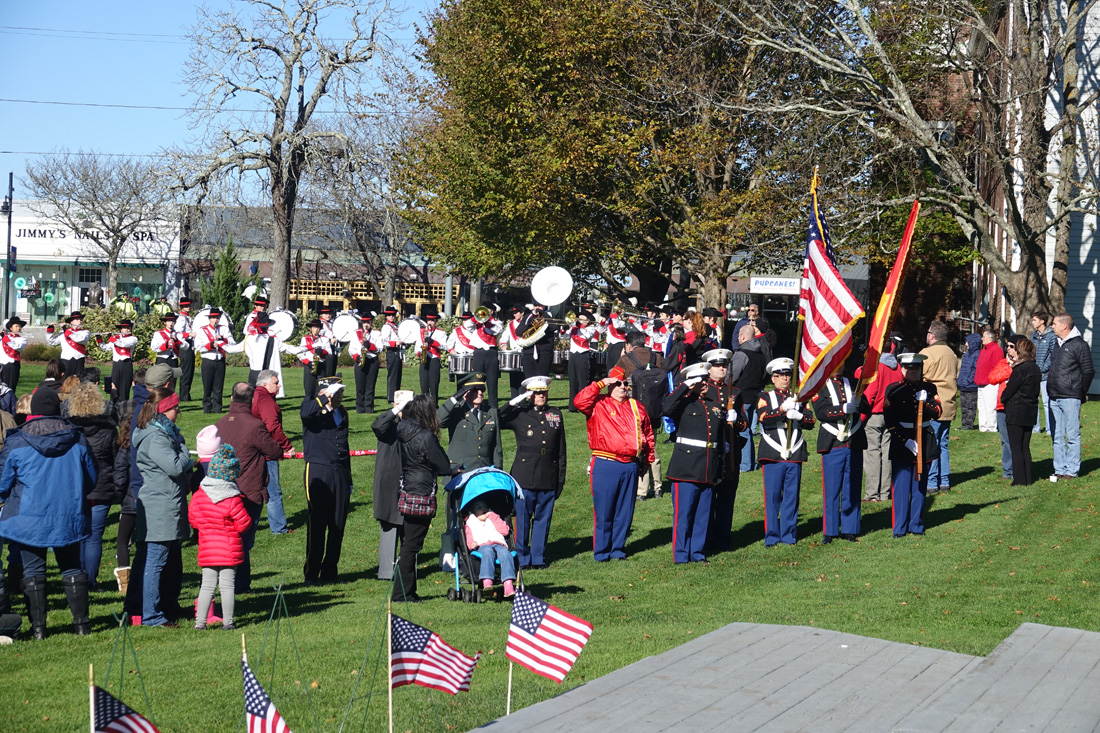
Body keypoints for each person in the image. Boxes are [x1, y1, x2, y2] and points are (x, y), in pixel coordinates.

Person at [0, 389, 98, 639]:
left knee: (34, 570)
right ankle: (81, 626)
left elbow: (3, 482)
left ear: (33, 411)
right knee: (71, 566)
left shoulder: (18, 440)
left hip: (30, 515)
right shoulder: (76, 438)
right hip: (67, 513)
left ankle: (39, 629)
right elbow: (92, 477)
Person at [663, 350, 742, 563]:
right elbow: (666, 407)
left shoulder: (715, 407)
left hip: (708, 465)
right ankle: (681, 554)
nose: (705, 384)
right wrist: (686, 386)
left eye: (706, 381)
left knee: (702, 514)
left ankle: (697, 552)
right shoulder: (683, 404)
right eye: (701, 382)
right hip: (686, 465)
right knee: (684, 515)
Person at [574, 366, 657, 561]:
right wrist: (601, 383)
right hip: (606, 463)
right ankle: (602, 552)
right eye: (617, 383)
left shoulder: (637, 406)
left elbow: (648, 434)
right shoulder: (598, 403)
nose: (622, 386)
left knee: (625, 510)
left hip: (630, 464)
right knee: (604, 510)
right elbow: (579, 401)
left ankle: (618, 549)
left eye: (625, 383)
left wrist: (648, 459)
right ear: (610, 385)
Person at [131, 388, 191, 627]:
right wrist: (185, 450)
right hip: (159, 504)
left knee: (160, 559)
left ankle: (162, 606)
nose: (179, 411)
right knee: (155, 561)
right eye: (176, 407)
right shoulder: (156, 437)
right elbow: (175, 466)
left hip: (163, 501)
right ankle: (152, 615)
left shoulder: (161, 432)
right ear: (164, 409)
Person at [216, 383, 284, 592]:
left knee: (227, 538)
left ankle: (228, 582)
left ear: (231, 398)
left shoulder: (220, 423)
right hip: (248, 490)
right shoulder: (254, 426)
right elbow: (274, 450)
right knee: (243, 540)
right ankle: (240, 584)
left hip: (222, 490)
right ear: (251, 400)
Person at [499, 376, 566, 569]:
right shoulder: (520, 414)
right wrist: (514, 402)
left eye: (543, 392)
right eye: (537, 393)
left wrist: (560, 478)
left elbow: (561, 449)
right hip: (525, 475)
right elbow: (498, 417)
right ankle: (522, 557)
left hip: (548, 473)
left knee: (543, 519)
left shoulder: (555, 413)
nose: (541, 396)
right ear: (529, 395)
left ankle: (538, 557)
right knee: (522, 519)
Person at [393, 394, 452, 603]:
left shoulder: (402, 430)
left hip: (407, 489)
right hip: (422, 491)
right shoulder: (426, 437)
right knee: (411, 547)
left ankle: (407, 591)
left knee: (408, 544)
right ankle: (402, 593)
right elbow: (443, 465)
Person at [188, 444, 252, 631]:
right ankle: (228, 622)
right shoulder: (232, 498)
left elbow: (194, 519)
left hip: (207, 547)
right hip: (229, 549)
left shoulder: (199, 495)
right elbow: (244, 523)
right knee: (227, 586)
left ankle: (200, 622)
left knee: (206, 586)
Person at [756, 358, 815, 546]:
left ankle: (789, 534)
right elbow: (764, 418)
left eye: (788, 375)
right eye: (780, 375)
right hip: (773, 452)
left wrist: (798, 414)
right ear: (773, 378)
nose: (784, 378)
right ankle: (772, 536)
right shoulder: (765, 397)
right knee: (772, 497)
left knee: (792, 496)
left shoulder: (800, 397)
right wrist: (782, 409)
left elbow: (810, 422)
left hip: (795, 451)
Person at [300, 376, 353, 585]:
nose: (340, 396)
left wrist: (348, 477)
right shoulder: (313, 409)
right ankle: (311, 573)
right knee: (318, 523)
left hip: (339, 471)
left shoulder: (342, 412)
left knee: (338, 523)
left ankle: (330, 571)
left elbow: (345, 446)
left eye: (341, 392)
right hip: (318, 470)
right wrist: (323, 398)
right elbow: (306, 412)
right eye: (336, 392)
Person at [68, 382, 120, 593]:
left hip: (77, 485)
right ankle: (90, 580)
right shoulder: (108, 429)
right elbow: (116, 458)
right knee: (94, 535)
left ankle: (80, 579)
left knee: (81, 534)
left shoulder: (69, 428)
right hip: (100, 483)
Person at [883, 354, 942, 537]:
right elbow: (890, 420)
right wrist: (905, 441)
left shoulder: (930, 388)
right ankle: (899, 527)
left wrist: (925, 403)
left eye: (916, 368)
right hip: (903, 441)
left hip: (924, 440)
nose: (913, 371)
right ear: (902, 369)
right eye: (909, 368)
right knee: (900, 488)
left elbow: (938, 412)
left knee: (919, 486)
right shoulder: (893, 390)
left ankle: (916, 524)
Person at [811, 372, 866, 543]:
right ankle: (830, 530)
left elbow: (867, 406)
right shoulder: (819, 385)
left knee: (853, 487)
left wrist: (859, 405)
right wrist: (842, 410)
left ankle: (850, 528)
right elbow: (820, 412)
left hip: (854, 440)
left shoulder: (854, 382)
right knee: (832, 489)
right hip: (832, 442)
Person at [617, 330, 666, 500]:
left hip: (634, 410)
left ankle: (641, 490)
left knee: (639, 448)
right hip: (655, 411)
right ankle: (658, 487)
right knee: (652, 446)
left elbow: (614, 383)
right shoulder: (657, 358)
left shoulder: (625, 359)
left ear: (628, 345)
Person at [1048, 313, 1095, 481]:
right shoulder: (1056, 343)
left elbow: (1088, 371)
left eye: (1054, 324)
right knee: (1057, 435)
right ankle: (1059, 469)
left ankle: (1072, 471)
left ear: (1064, 326)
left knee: (1072, 435)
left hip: (1070, 396)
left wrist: (1079, 392)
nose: (1052, 326)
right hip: (1054, 395)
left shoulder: (1079, 345)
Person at [372, 390, 413, 581]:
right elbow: (378, 425)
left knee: (411, 526)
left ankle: (407, 569)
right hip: (389, 482)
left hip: (412, 479)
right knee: (389, 524)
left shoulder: (416, 424)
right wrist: (397, 410)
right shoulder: (389, 424)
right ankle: (386, 572)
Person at [862, 333, 905, 502]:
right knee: (887, 454)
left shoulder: (876, 367)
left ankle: (872, 494)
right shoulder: (897, 368)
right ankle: (885, 493)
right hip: (891, 414)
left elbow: (870, 394)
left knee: (873, 454)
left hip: (875, 414)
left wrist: (862, 416)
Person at [920, 320, 959, 495]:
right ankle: (944, 480)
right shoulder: (951, 353)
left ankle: (932, 481)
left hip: (933, 405)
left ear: (932, 335)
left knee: (932, 445)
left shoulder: (927, 353)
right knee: (942, 444)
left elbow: (919, 375)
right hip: (949, 402)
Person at [252, 370, 294, 535]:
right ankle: (279, 528)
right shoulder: (266, 401)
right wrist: (287, 445)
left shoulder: (254, 396)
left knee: (251, 489)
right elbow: (273, 427)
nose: (279, 385)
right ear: (264, 384)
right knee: (272, 492)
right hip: (266, 453)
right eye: (276, 383)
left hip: (251, 451)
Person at [438, 372, 503, 473]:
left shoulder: (490, 412)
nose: (480, 393)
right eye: (475, 390)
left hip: (484, 472)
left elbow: (497, 445)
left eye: (482, 389)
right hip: (460, 472)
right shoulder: (456, 410)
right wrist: (454, 398)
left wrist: (498, 471)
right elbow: (437, 420)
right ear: (465, 393)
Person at [1001, 336, 1041, 486]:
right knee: (1024, 446)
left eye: (1012, 347)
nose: (1009, 350)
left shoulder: (1021, 369)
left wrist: (1004, 399)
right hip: (1030, 410)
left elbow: (1009, 391)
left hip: (1017, 410)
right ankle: (1027, 478)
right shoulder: (1035, 368)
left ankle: (1019, 479)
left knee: (1016, 446)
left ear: (1020, 349)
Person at [728, 324, 768, 473]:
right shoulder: (760, 353)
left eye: (739, 335)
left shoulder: (741, 354)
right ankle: (750, 463)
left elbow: (731, 376)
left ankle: (745, 465)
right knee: (749, 430)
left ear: (743, 337)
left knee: (743, 430)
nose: (738, 338)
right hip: (755, 395)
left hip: (742, 397)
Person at [464, 499, 517, 598]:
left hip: (499, 544)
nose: (483, 509)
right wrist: (472, 543)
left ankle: (508, 584)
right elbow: (469, 536)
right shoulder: (471, 523)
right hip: (482, 545)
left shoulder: (493, 519)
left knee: (507, 554)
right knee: (487, 552)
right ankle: (487, 582)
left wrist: (492, 516)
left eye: (485, 507)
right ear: (473, 512)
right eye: (479, 508)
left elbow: (505, 531)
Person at [195, 308, 238, 414]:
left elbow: (232, 342)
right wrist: (210, 345)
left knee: (218, 386)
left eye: (217, 318)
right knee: (207, 385)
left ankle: (217, 407)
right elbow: (198, 346)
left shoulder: (223, 329)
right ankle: (207, 407)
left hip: (219, 359)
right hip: (208, 359)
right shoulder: (202, 330)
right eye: (213, 318)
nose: (215, 320)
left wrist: (223, 339)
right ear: (209, 319)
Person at [242, 313, 298, 391]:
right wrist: (308, 347)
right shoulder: (272, 340)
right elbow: (290, 349)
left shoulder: (249, 338)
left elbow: (231, 349)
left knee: (251, 397)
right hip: (265, 373)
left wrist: (221, 343)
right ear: (267, 326)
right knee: (266, 396)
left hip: (253, 372)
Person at [990, 343, 1015, 480]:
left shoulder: (1024, 363)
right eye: (1007, 346)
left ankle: (1018, 468)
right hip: (1002, 406)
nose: (1008, 348)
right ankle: (1008, 470)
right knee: (1005, 440)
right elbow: (992, 378)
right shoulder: (1002, 363)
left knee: (1016, 440)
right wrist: (1009, 369)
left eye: (1012, 346)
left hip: (1017, 406)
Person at [1030, 311, 1057, 433]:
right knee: (1033, 401)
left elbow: (1052, 355)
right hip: (1034, 373)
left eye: (1035, 320)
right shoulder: (1033, 336)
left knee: (1047, 402)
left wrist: (1043, 368)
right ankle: (1035, 427)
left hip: (1046, 375)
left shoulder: (1051, 336)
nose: (1032, 322)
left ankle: (1049, 428)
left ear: (1042, 321)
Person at [566, 311, 599, 412]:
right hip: (573, 355)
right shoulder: (574, 328)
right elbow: (566, 337)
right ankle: (572, 406)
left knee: (582, 381)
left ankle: (583, 404)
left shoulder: (591, 328)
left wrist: (579, 326)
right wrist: (566, 330)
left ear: (588, 320)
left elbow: (587, 336)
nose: (579, 320)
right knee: (572, 380)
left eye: (582, 318)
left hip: (583, 355)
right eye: (578, 318)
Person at [469, 310, 503, 407]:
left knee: (492, 380)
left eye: (487, 309)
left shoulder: (496, 322)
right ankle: (476, 403)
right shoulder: (476, 322)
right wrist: (475, 318)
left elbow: (497, 330)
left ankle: (493, 405)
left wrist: (487, 322)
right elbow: (467, 326)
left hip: (491, 353)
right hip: (478, 352)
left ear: (491, 311)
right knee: (477, 379)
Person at [100, 319, 138, 403]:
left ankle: (123, 408)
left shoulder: (133, 339)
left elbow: (123, 344)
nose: (127, 330)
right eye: (124, 328)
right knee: (114, 387)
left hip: (126, 364)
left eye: (128, 328)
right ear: (121, 329)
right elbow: (105, 347)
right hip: (116, 365)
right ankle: (113, 407)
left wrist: (111, 338)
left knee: (124, 389)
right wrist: (100, 339)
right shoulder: (116, 338)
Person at [348, 318, 381, 413]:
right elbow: (351, 349)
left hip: (372, 361)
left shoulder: (376, 333)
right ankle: (360, 408)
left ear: (371, 323)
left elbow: (380, 348)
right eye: (364, 322)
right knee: (360, 386)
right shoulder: (356, 333)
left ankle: (369, 408)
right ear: (362, 323)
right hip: (360, 360)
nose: (366, 324)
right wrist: (357, 357)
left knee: (370, 386)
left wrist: (370, 346)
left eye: (368, 322)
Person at [974, 328, 1003, 432]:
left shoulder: (996, 350)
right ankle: (983, 427)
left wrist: (991, 379)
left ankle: (991, 427)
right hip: (980, 383)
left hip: (990, 383)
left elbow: (997, 367)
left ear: (990, 338)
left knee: (990, 407)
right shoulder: (984, 350)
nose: (982, 338)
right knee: (981, 407)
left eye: (984, 336)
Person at [47, 312, 90, 379]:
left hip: (79, 359)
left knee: (78, 380)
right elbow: (52, 341)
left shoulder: (85, 332)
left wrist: (65, 330)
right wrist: (50, 329)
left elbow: (79, 339)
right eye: (77, 319)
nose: (80, 321)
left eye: (81, 319)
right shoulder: (63, 332)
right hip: (66, 359)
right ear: (71, 322)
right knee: (65, 379)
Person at [298, 318, 332, 401]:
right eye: (314, 327)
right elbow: (300, 353)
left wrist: (322, 351)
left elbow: (329, 352)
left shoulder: (324, 339)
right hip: (309, 365)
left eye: (318, 328)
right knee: (309, 388)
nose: (316, 329)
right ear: (311, 329)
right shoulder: (305, 338)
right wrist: (308, 362)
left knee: (321, 388)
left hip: (321, 365)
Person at [417, 313, 447, 403]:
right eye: (429, 320)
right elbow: (417, 346)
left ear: (436, 321)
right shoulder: (422, 331)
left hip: (434, 359)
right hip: (424, 359)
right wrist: (420, 353)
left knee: (434, 385)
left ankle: (434, 406)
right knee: (424, 384)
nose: (430, 322)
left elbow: (444, 346)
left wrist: (432, 342)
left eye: (432, 320)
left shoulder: (441, 332)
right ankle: (424, 406)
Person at [518, 304, 555, 378]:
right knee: (529, 379)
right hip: (528, 352)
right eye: (535, 306)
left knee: (541, 380)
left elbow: (554, 327)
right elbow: (518, 332)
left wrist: (544, 314)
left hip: (544, 352)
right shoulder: (528, 317)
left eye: (540, 306)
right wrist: (528, 325)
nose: (537, 308)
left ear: (544, 306)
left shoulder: (549, 316)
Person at [498, 306, 527, 398]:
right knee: (513, 377)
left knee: (523, 377)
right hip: (515, 352)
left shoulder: (527, 322)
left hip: (525, 351)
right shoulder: (511, 324)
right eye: (513, 313)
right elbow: (504, 336)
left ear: (522, 313)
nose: (514, 314)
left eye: (516, 312)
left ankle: (522, 399)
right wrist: (503, 344)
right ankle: (514, 398)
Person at [378, 306, 404, 402]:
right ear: (386, 317)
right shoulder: (386, 327)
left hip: (397, 352)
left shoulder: (395, 326)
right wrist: (395, 343)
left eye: (393, 315)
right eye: (389, 315)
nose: (392, 316)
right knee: (392, 375)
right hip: (391, 352)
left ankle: (396, 395)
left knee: (398, 375)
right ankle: (391, 397)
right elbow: (384, 341)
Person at [957, 332, 982, 430]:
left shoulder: (977, 355)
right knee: (963, 406)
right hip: (963, 384)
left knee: (970, 406)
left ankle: (969, 424)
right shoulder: (966, 355)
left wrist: (969, 380)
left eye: (968, 342)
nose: (966, 344)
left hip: (971, 386)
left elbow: (975, 369)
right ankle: (964, 424)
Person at [174, 298, 196, 401]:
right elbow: (177, 332)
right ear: (182, 307)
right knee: (186, 372)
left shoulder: (187, 317)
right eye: (186, 306)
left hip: (189, 345)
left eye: (188, 305)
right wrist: (189, 334)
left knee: (189, 371)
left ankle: (186, 394)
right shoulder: (182, 318)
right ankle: (184, 395)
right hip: (185, 345)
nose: (188, 307)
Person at [0, 315, 27, 391]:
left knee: (10, 387)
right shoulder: (3, 337)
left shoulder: (22, 339)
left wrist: (5, 338)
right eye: (16, 326)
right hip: (1, 364)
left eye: (20, 326)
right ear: (11, 328)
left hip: (12, 365)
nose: (19, 328)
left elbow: (16, 346)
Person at [319, 304, 340, 377]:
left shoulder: (331, 323)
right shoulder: (320, 324)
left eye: (329, 313)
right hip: (325, 349)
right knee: (328, 371)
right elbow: (319, 337)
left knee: (332, 370)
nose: (328, 315)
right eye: (326, 314)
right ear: (321, 315)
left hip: (333, 348)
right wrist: (329, 340)